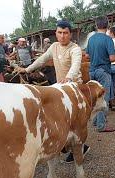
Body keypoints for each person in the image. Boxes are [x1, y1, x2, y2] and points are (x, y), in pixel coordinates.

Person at [16, 20, 90, 162]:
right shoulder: (54, 47)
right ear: (56, 34)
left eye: (65, 33)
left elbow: (75, 66)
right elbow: (41, 60)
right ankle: (68, 144)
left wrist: (68, 77)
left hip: (74, 87)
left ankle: (79, 146)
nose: (62, 36)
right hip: (60, 88)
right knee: (62, 119)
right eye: (60, 33)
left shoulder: (75, 49)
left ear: (70, 34)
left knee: (76, 122)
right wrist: (26, 69)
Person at [86, 16, 115, 132]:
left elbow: (87, 56)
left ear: (96, 25)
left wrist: (96, 57)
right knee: (104, 98)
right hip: (103, 71)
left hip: (92, 71)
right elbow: (113, 58)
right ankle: (101, 125)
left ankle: (94, 121)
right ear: (107, 25)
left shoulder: (91, 39)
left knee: (95, 97)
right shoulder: (108, 39)